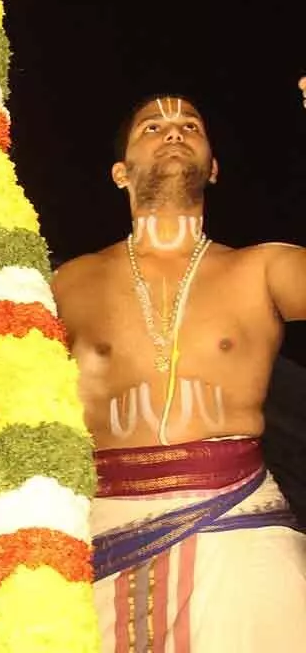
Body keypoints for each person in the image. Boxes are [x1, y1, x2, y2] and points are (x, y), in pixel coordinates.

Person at [53, 94, 306, 652]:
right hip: (100, 529)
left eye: (190, 124)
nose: (173, 131)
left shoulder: (260, 268)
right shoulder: (67, 284)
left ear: (212, 167)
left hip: (239, 525)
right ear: (121, 172)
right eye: (152, 126)